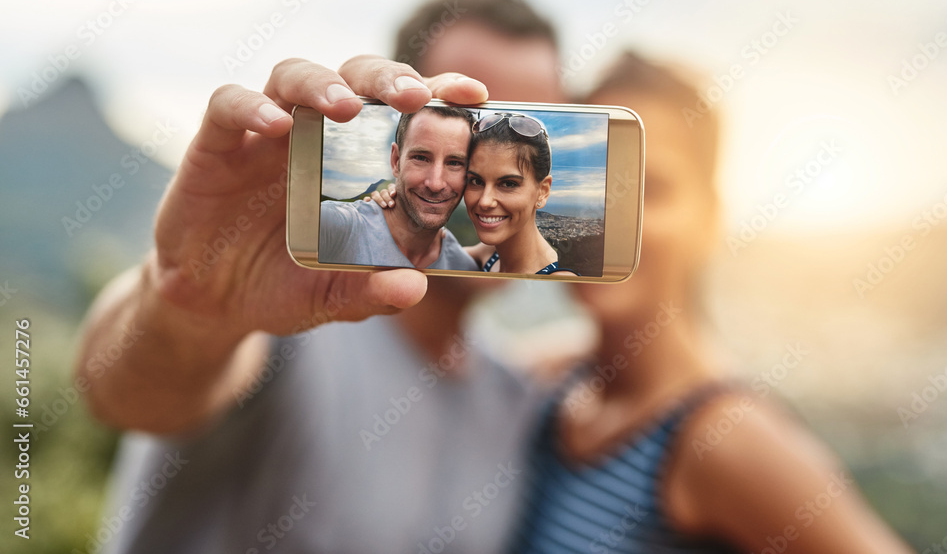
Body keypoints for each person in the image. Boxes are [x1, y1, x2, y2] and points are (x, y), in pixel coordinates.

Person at [74, 0, 567, 553]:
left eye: (518, 134)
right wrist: (188, 306)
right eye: (471, 128)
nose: (490, 171)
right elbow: (127, 395)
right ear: (398, 143)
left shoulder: (509, 396)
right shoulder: (290, 315)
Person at [507, 51, 914, 553]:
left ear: (709, 219)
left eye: (649, 189)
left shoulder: (725, 438)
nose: (607, 220)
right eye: (585, 183)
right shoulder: (553, 383)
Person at [368, 110, 578, 276]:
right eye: (476, 181)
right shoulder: (488, 256)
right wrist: (398, 205)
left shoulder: (557, 280)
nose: (485, 201)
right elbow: (429, 256)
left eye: (508, 184)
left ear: (542, 191)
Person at [318, 105, 477, 269]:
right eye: (421, 158)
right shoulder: (334, 226)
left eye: (454, 163)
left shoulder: (464, 267)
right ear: (395, 161)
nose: (436, 184)